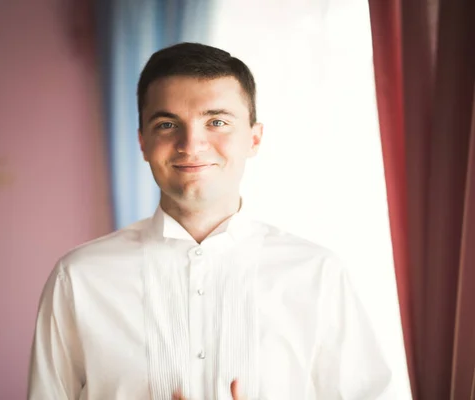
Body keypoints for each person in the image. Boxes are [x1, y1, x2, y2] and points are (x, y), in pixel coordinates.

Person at [27, 42, 393, 400]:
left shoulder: (318, 274)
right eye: (168, 124)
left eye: (216, 121)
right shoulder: (78, 278)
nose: (191, 144)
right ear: (142, 143)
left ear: (254, 138)